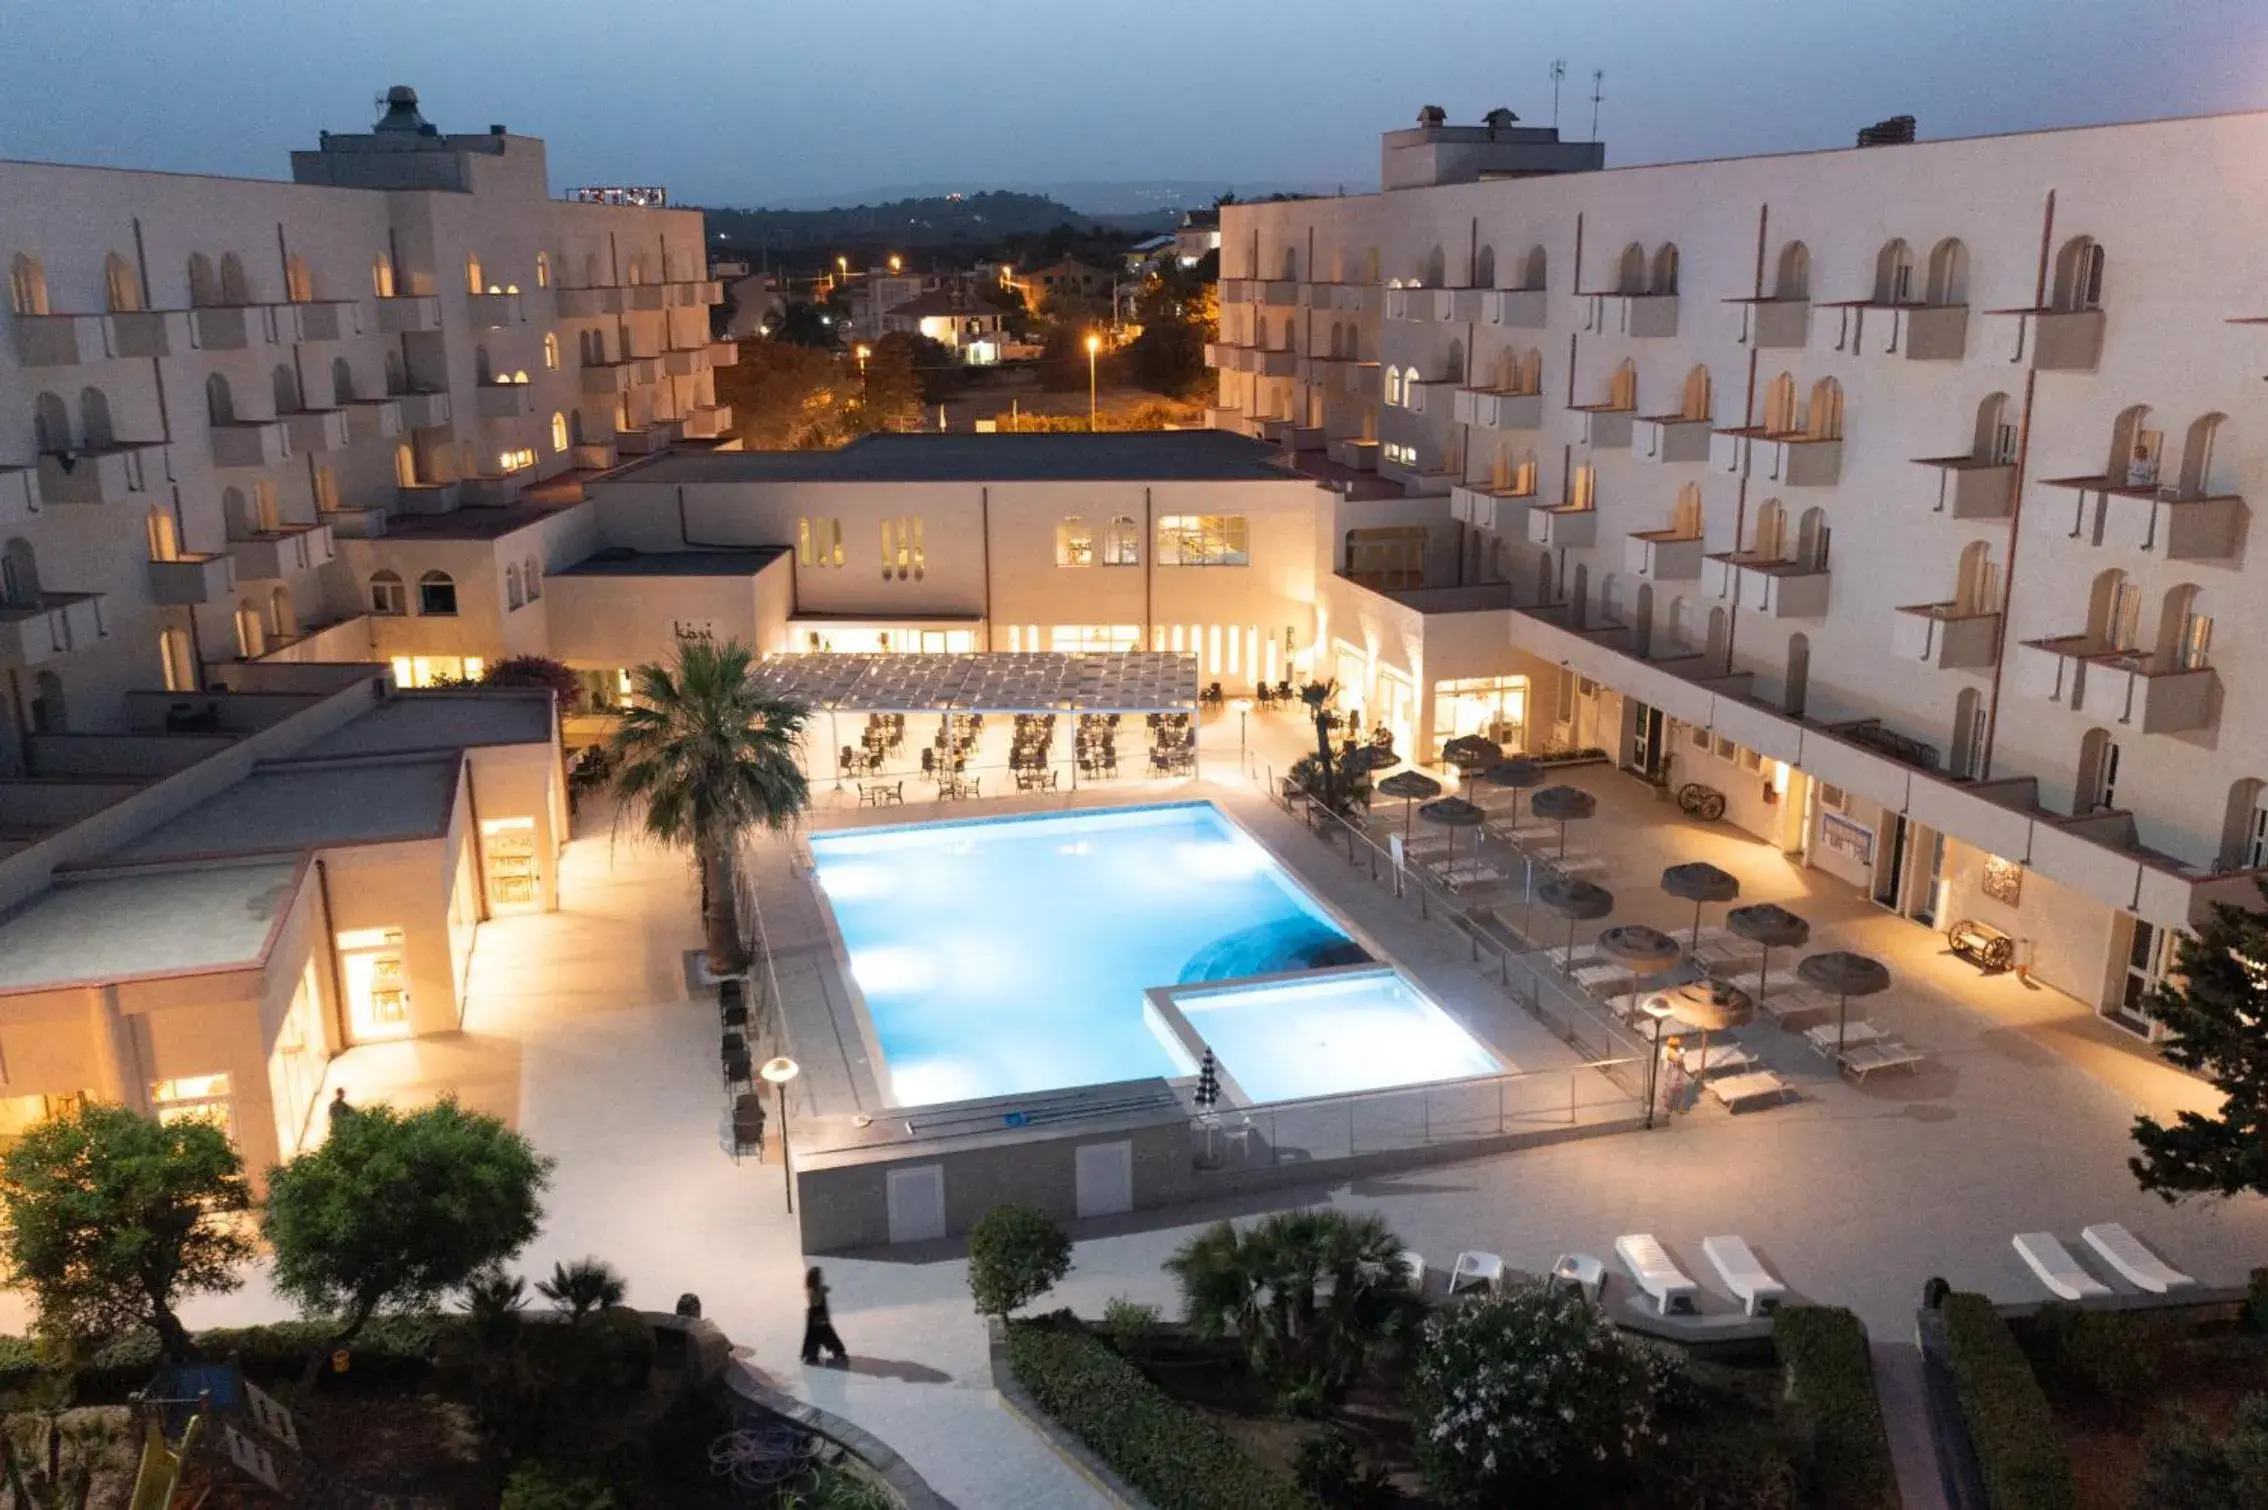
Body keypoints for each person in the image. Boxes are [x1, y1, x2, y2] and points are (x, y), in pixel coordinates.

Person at [801, 1266, 847, 1366]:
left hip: (820, 1315)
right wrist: (821, 1292)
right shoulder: (812, 1291)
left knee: (820, 1335)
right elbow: (815, 1302)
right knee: (821, 1335)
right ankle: (834, 1351)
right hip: (817, 1316)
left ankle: (813, 1354)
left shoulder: (818, 1289)